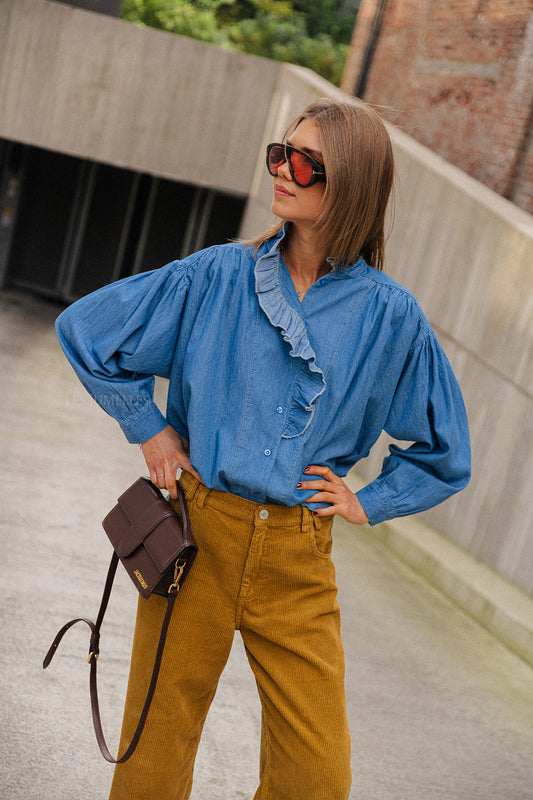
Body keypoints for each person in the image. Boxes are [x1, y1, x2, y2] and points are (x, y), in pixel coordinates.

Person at [55, 96, 470, 800]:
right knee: (152, 757)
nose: (284, 170)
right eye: (281, 153)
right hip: (195, 534)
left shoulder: (389, 317)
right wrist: (149, 427)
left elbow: (441, 448)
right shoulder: (215, 276)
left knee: (316, 776)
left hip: (298, 556)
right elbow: (87, 330)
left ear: (352, 187)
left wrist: (370, 500)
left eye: (307, 162)